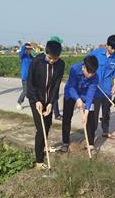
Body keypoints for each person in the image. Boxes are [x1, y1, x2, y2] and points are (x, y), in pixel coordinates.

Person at [27, 39, 65, 170]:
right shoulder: (36, 62)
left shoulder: (60, 65)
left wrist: (51, 103)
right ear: (45, 53)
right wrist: (37, 100)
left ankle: (42, 147)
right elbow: (30, 83)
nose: (52, 61)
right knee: (40, 129)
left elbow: (56, 85)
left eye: (55, 58)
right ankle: (38, 160)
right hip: (35, 99)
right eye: (50, 58)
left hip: (49, 100)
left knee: (47, 126)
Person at [61, 55, 99, 153]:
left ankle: (90, 144)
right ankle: (65, 142)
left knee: (90, 118)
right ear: (84, 67)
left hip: (85, 96)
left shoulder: (95, 77)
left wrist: (86, 112)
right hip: (71, 93)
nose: (90, 75)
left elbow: (91, 94)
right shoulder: (74, 69)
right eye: (89, 72)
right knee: (67, 117)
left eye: (93, 73)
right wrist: (77, 99)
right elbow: (72, 87)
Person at [88, 35, 115, 140]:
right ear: (107, 46)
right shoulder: (97, 53)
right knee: (94, 113)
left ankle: (105, 132)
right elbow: (86, 62)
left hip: (107, 89)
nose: (113, 51)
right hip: (95, 88)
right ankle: (91, 135)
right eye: (112, 48)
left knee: (106, 112)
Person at [16, 42, 34, 110]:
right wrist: (25, 45)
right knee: (25, 91)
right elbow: (21, 53)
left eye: (30, 49)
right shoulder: (23, 56)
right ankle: (19, 102)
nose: (28, 50)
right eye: (27, 49)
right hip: (25, 76)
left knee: (32, 90)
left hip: (31, 77)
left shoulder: (31, 57)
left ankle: (33, 102)